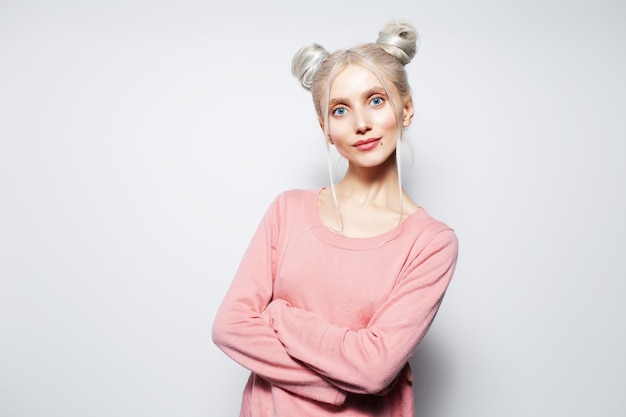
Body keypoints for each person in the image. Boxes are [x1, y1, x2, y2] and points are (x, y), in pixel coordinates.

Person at [212, 19, 458, 417]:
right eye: (340, 109)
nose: (361, 123)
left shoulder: (431, 242)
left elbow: (374, 370)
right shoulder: (287, 210)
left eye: (376, 100)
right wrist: (336, 389)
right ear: (326, 128)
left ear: (406, 108)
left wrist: (278, 317)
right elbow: (230, 328)